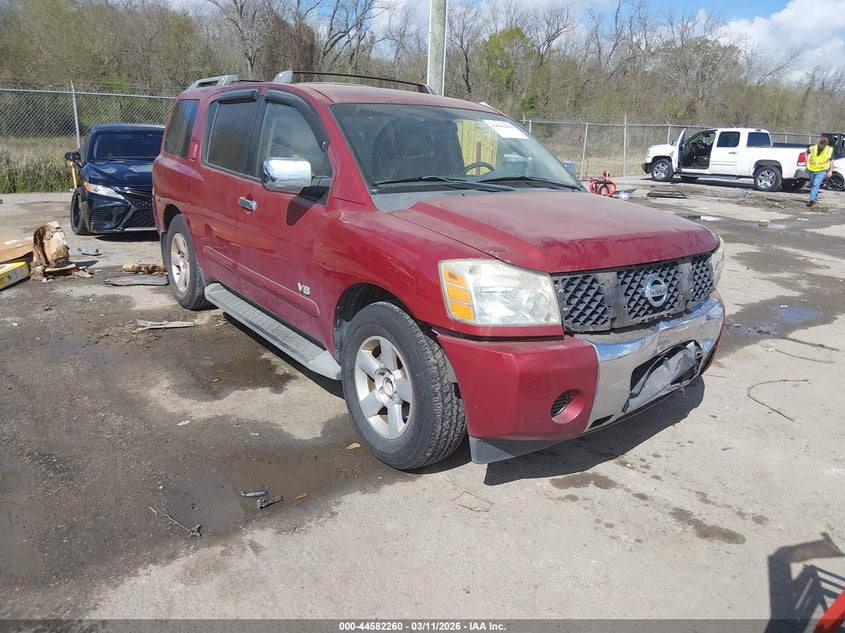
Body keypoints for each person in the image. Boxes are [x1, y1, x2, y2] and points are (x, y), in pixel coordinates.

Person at [806, 135, 835, 207]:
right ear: (819, 144)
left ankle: (811, 199)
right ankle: (815, 198)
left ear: (826, 145)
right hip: (812, 169)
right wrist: (806, 163)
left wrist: (831, 171)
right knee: (813, 184)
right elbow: (806, 153)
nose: (822, 147)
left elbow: (832, 160)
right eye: (821, 145)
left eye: (824, 146)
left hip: (822, 170)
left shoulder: (829, 150)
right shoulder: (813, 148)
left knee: (816, 184)